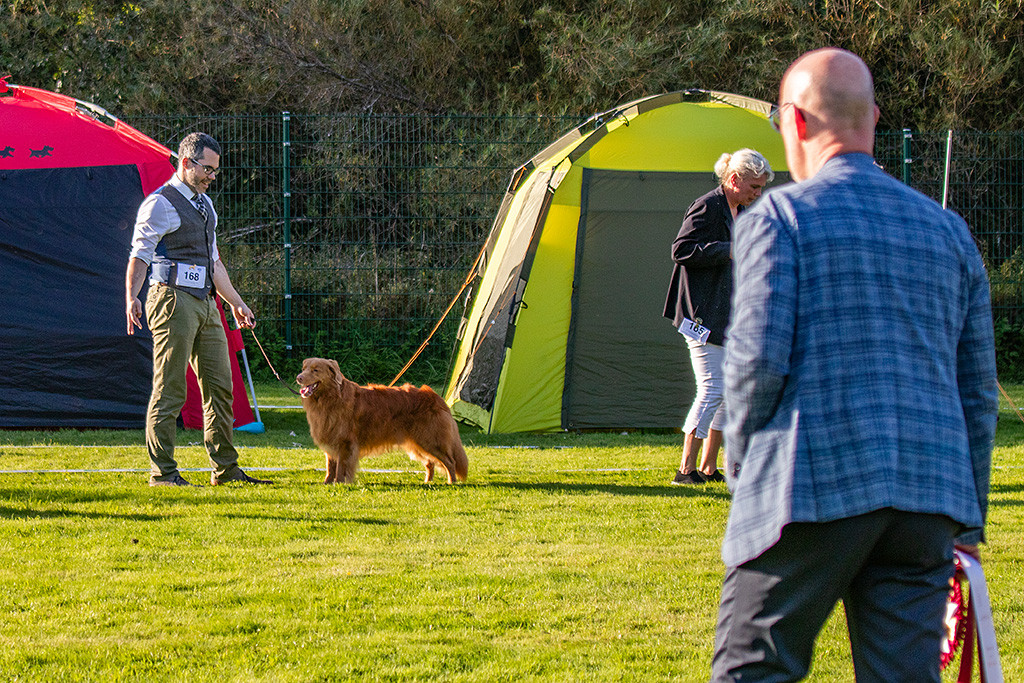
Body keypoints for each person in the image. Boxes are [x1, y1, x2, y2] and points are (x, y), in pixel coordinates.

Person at [711, 48, 997, 681]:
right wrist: (967, 515)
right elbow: (977, 393)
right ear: (872, 118)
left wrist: (742, 469)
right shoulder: (950, 232)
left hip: (808, 485)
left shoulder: (777, 219)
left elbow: (756, 366)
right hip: (928, 499)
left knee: (751, 669)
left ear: (796, 124)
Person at [126, 132, 272, 487]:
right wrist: (131, 296)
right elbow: (140, 254)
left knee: (221, 387)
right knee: (171, 388)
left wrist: (236, 303)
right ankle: (163, 473)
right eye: (207, 169)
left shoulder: (206, 206)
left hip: (207, 303)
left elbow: (215, 263)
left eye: (215, 171)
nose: (212, 176)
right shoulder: (159, 203)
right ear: (186, 163)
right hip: (172, 299)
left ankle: (225, 469)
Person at [664, 149, 773, 485]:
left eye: (761, 188)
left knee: (726, 391)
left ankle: (709, 467)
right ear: (734, 179)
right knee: (712, 389)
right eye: (754, 187)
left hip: (725, 315)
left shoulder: (738, 210)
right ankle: (685, 470)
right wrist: (728, 249)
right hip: (699, 315)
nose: (758, 194)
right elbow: (680, 249)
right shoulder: (708, 205)